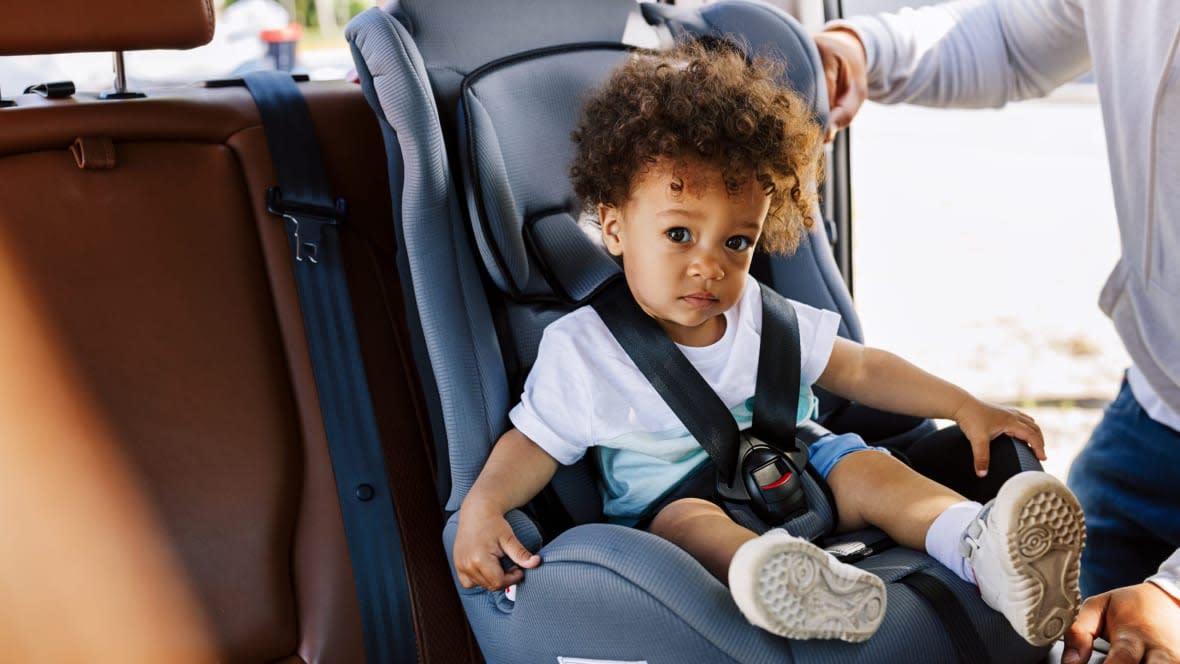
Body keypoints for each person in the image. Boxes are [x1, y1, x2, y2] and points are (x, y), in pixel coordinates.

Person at [451, 40, 1085, 646]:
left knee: (873, 468)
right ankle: (788, 584)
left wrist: (963, 406)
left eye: (737, 243)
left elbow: (861, 370)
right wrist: (483, 507)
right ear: (614, 228)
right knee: (686, 529)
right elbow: (534, 443)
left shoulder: (759, 312)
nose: (710, 266)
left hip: (803, 470)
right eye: (679, 235)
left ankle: (981, 547)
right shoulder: (585, 349)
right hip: (677, 504)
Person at [812, 1, 1180, 661]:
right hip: (1156, 404)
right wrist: (861, 47)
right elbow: (1012, 39)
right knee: (1062, 628)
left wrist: (1176, 593)